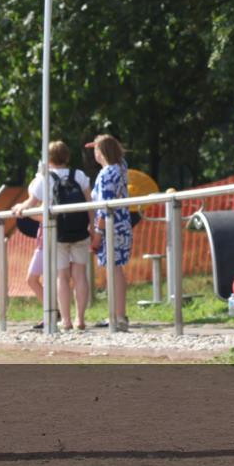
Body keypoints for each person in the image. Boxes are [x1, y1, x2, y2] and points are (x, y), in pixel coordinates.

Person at [12, 141, 93, 330]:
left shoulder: (44, 178)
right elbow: (90, 204)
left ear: (48, 159)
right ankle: (80, 319)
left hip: (57, 233)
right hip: (80, 231)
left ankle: (66, 320)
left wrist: (19, 208)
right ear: (67, 157)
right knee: (80, 275)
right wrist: (93, 229)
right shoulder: (79, 175)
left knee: (61, 276)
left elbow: (31, 203)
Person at [88, 134, 133, 332]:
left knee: (113, 270)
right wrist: (103, 142)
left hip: (111, 226)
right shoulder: (121, 168)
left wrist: (97, 234)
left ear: (101, 152)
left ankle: (118, 316)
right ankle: (118, 314)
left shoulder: (106, 174)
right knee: (117, 269)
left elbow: (104, 207)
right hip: (123, 224)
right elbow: (119, 156)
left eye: (96, 150)